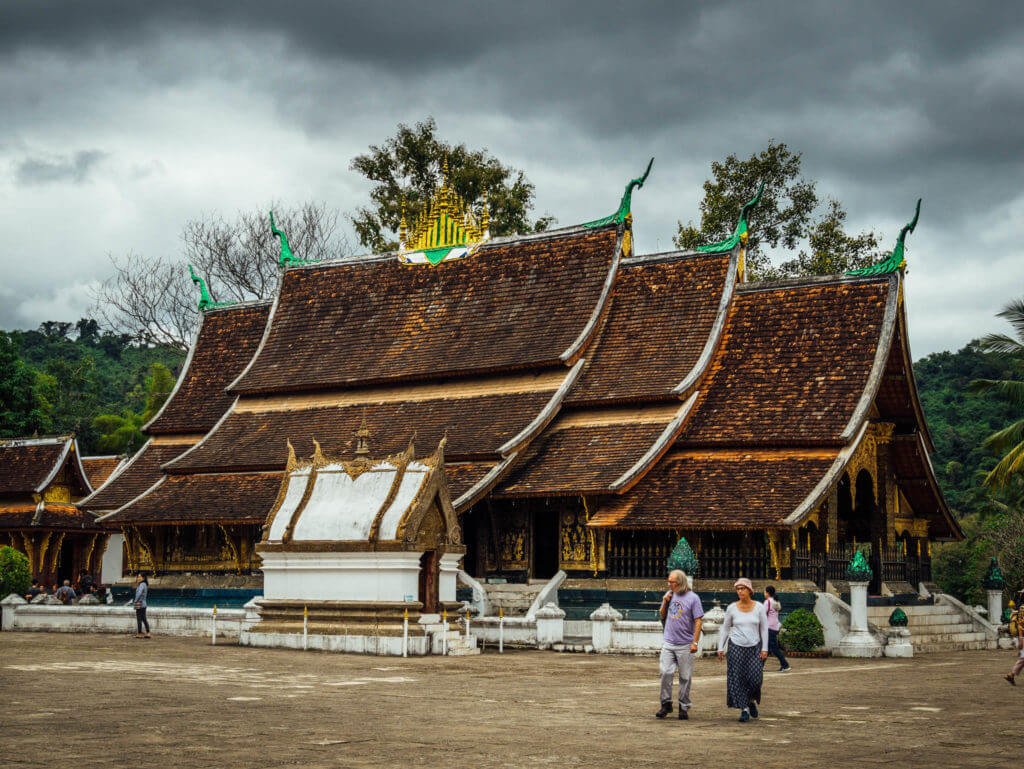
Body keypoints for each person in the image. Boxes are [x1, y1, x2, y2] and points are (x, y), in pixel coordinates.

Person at [717, 577, 769, 722]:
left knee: (755, 679)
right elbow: (726, 629)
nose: (740, 591)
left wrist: (765, 648)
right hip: (736, 647)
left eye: (743, 588)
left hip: (754, 646)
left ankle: (751, 700)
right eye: (738, 589)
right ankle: (744, 709)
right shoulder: (732, 608)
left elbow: (764, 629)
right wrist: (720, 647)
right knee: (738, 678)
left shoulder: (759, 607)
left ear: (749, 590)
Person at [655, 569, 704, 720]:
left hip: (685, 644)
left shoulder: (693, 598)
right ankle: (666, 703)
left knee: (685, 676)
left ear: (680, 582)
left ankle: (683, 706)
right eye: (668, 581)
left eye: (672, 582)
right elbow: (662, 615)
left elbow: (698, 620)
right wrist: (664, 601)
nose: (669, 584)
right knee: (665, 672)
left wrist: (695, 642)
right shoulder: (670, 595)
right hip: (669, 642)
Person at [763, 585, 791, 672]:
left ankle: (785, 665)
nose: (764, 593)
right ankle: (760, 665)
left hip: (769, 627)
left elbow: (762, 615)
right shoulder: (776, 601)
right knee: (766, 647)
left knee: (774, 648)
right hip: (775, 626)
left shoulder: (767, 602)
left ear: (767, 593)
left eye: (765, 592)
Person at [1005, 590, 1024, 686]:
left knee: (1023, 659)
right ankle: (1011, 675)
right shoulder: (1022, 609)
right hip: (1022, 637)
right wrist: (1021, 638)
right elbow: (1021, 625)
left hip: (1020, 637)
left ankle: (1011, 675)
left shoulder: (1018, 608)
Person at [133, 573, 151, 639]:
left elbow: (139, 593)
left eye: (140, 577)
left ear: (143, 578)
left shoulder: (141, 585)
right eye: (138, 577)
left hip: (139, 603)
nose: (138, 578)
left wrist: (135, 601)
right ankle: (148, 632)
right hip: (144, 604)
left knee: (139, 619)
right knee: (144, 619)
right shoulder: (145, 584)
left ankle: (140, 633)